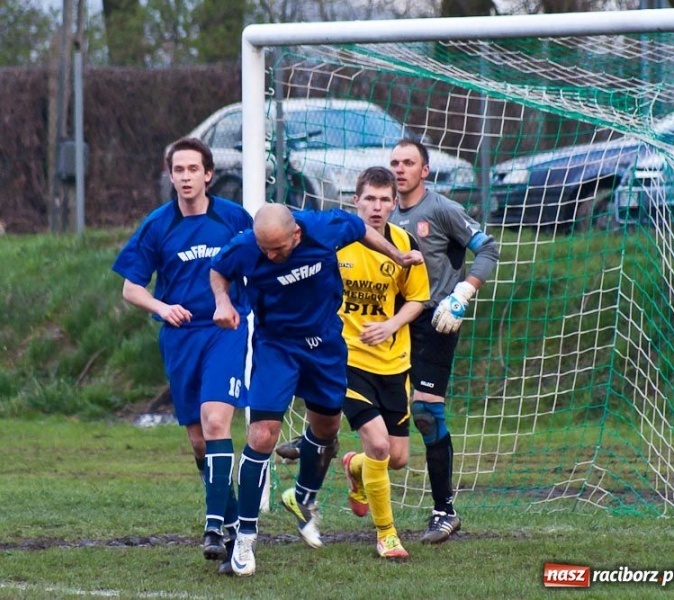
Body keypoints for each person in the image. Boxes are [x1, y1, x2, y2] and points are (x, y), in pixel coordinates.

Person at [210, 203, 423, 576]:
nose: (271, 256)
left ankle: (304, 495)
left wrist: (396, 255)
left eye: (278, 248)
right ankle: (243, 542)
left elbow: (360, 229)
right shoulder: (247, 246)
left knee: (327, 428)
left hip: (325, 345)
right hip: (276, 347)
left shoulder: (325, 226)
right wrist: (223, 301)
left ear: (296, 234)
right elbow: (219, 270)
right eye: (265, 249)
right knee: (262, 434)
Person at [111, 137, 253, 575]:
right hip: (179, 337)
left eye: (195, 169)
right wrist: (160, 306)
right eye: (179, 170)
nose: (187, 177)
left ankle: (213, 527)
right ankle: (230, 525)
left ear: (209, 175)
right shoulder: (158, 225)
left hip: (225, 331)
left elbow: (261, 263)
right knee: (197, 439)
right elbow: (130, 286)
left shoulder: (233, 219)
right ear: (170, 175)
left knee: (216, 422)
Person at [388, 139, 500, 544]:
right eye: (395, 163)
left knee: (426, 412)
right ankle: (334, 457)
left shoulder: (441, 209)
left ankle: (444, 511)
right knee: (373, 406)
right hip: (395, 320)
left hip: (437, 318)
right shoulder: (384, 213)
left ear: (425, 171)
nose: (400, 169)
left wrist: (462, 295)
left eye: (409, 163)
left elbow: (488, 247)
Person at [337, 167, 430, 560]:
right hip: (347, 359)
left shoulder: (405, 244)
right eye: (369, 199)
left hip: (394, 363)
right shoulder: (336, 243)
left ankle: (355, 468)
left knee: (396, 458)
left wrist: (390, 324)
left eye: (384, 200)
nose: (376, 207)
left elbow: (419, 299)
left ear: (395, 203)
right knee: (377, 444)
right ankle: (386, 535)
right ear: (355, 200)